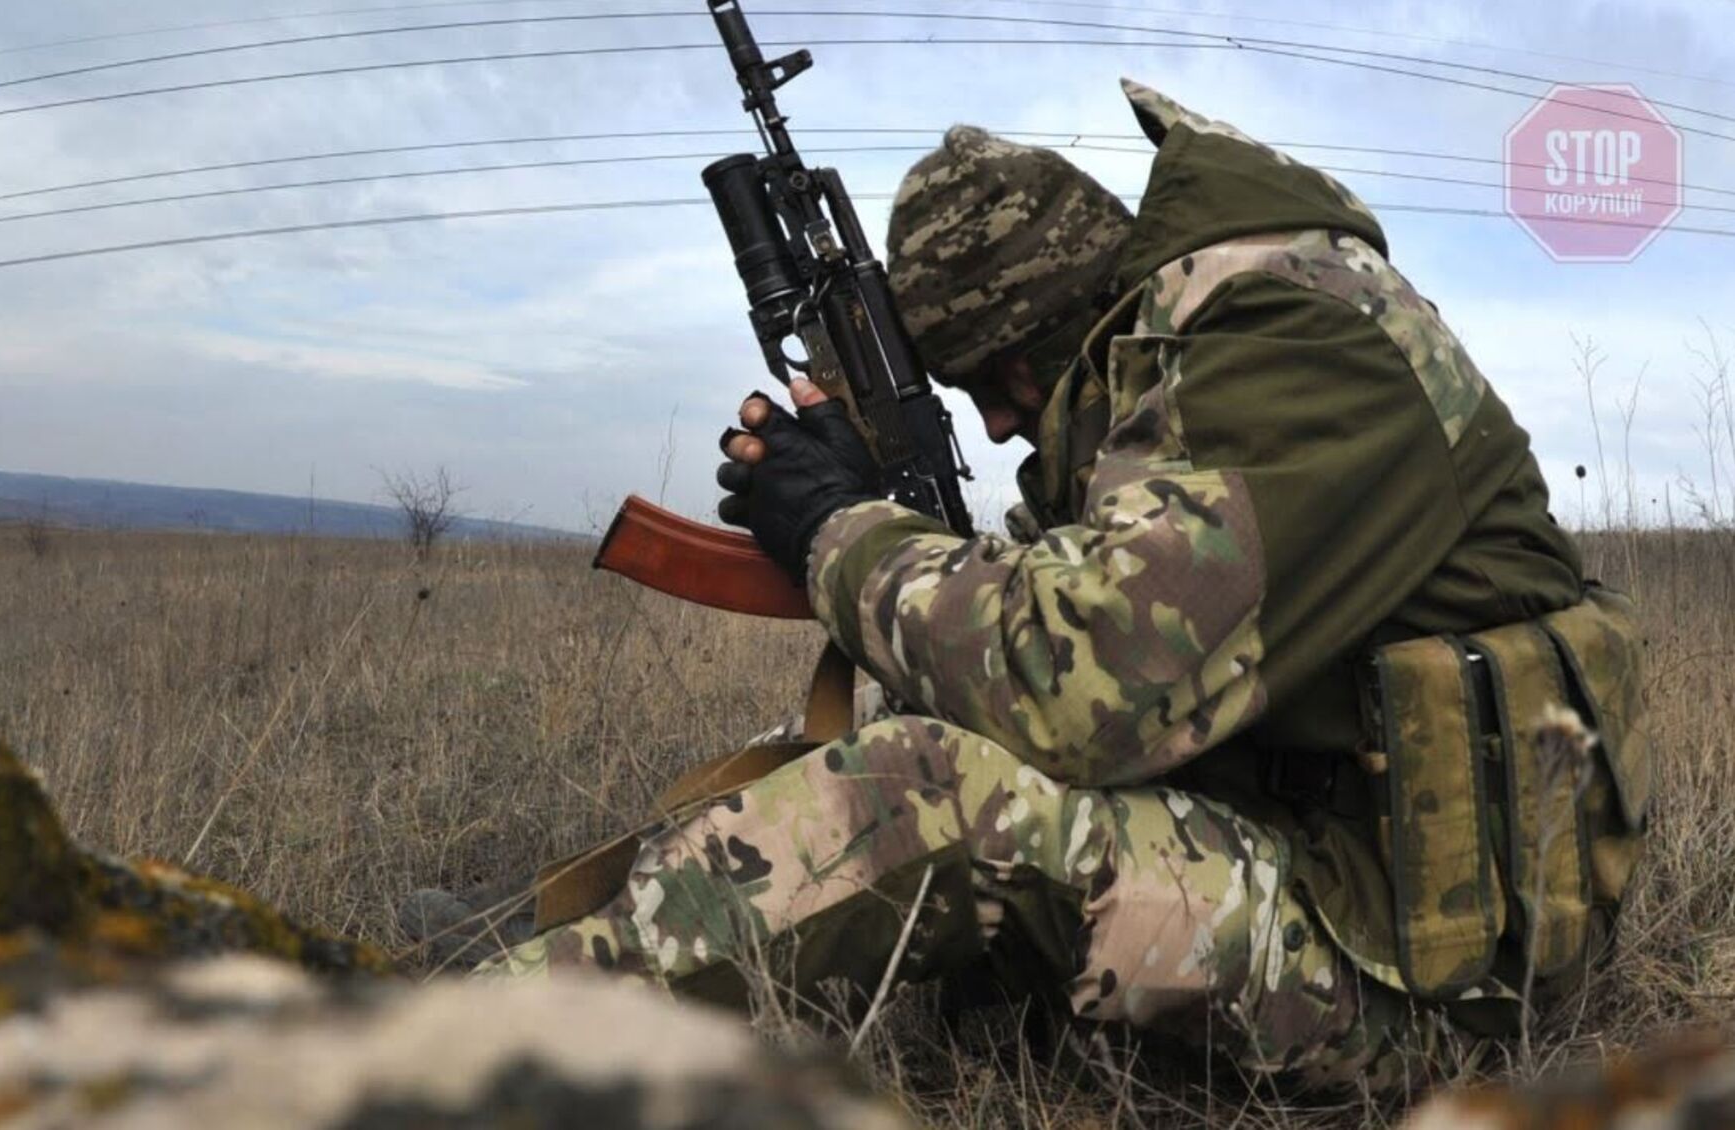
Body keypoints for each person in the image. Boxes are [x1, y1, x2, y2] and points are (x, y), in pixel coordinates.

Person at [468, 80, 1651, 1095]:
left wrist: (836, 527)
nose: (994, 423)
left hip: (1431, 985)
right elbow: (1016, 628)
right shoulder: (1179, 370)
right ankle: (544, 940)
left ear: (1065, 318)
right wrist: (863, 510)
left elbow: (1073, 689)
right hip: (1315, 872)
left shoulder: (1296, 334)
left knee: (927, 791)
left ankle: (464, 1046)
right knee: (888, 728)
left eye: (999, 377)